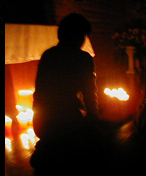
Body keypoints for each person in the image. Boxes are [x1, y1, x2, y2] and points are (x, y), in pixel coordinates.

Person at [31, 13, 105, 173]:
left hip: (42, 122)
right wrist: (93, 117)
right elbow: (89, 92)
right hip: (68, 122)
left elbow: (39, 91)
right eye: (84, 36)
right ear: (78, 36)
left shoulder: (48, 55)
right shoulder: (83, 58)